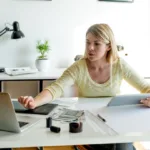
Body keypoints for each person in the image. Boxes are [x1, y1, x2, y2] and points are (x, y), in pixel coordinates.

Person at [18, 23, 150, 150]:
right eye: (88, 42)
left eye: (96, 43)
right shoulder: (79, 67)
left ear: (108, 46)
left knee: (121, 142)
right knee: (121, 145)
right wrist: (34, 102)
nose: (90, 48)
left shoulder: (120, 65)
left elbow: (145, 87)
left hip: (112, 119)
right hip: (89, 122)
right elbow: (56, 88)